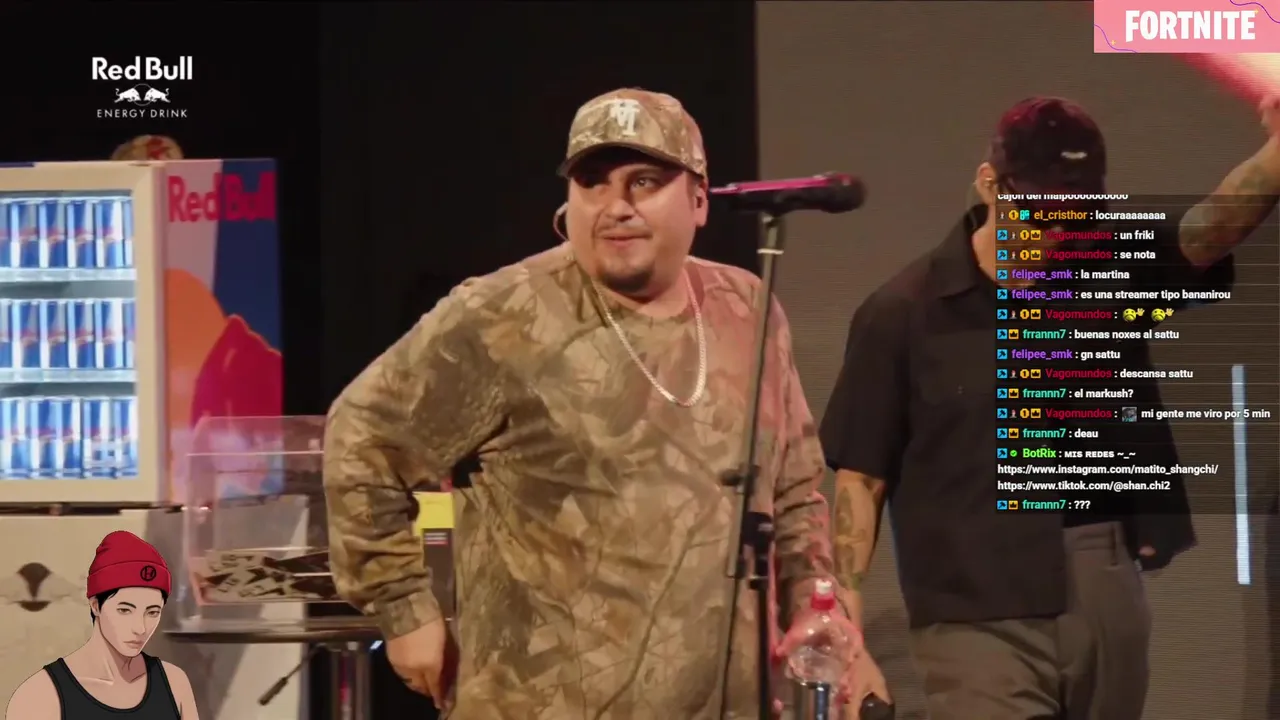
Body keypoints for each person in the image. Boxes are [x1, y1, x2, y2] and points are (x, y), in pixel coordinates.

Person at [322, 87, 861, 718]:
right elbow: (361, 438)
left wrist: (813, 602)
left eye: (644, 182)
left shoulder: (745, 306)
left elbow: (793, 491)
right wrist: (404, 607)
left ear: (699, 200)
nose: (615, 206)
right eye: (592, 182)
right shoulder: (503, 314)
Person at [820, 94, 1280, 720]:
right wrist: (847, 635)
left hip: (1102, 581)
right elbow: (862, 478)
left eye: (1076, 217)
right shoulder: (902, 313)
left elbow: (1212, 229)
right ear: (990, 184)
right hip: (972, 605)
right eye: (1038, 215)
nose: (1056, 234)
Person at [4, 531, 199, 719]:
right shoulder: (40, 696)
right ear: (96, 606)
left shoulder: (174, 683)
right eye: (125, 610)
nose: (140, 628)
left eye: (152, 612)